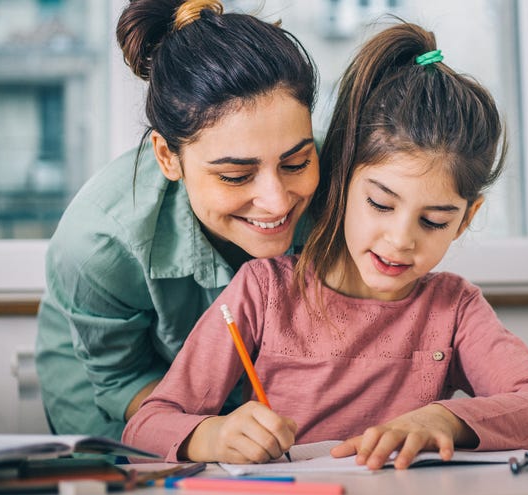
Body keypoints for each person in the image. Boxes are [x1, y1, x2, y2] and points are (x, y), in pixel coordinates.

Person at [123, 21, 528, 469]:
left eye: (434, 220)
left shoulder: (454, 309)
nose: (401, 240)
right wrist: (213, 435)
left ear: (466, 220)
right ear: (341, 181)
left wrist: (443, 419)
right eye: (381, 204)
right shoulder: (264, 292)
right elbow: (146, 425)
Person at [35, 0, 321, 441]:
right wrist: (205, 432)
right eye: (235, 175)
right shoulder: (98, 242)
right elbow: (120, 379)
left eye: (297, 163)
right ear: (169, 157)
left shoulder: (346, 185)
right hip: (119, 396)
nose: (276, 201)